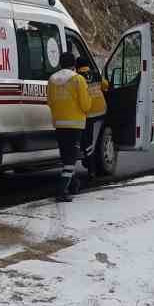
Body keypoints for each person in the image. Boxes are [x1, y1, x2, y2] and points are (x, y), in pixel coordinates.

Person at [46, 51, 92, 202]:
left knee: (66, 158)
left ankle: (73, 184)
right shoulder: (78, 80)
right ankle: (61, 191)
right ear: (74, 65)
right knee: (71, 160)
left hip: (59, 123)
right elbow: (85, 105)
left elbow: (50, 102)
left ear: (60, 63)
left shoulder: (52, 80)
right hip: (75, 124)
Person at [77, 57, 109, 182]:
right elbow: (106, 85)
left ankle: (92, 169)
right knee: (95, 140)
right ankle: (92, 165)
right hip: (101, 111)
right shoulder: (95, 74)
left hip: (88, 114)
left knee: (88, 143)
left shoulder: (78, 77)